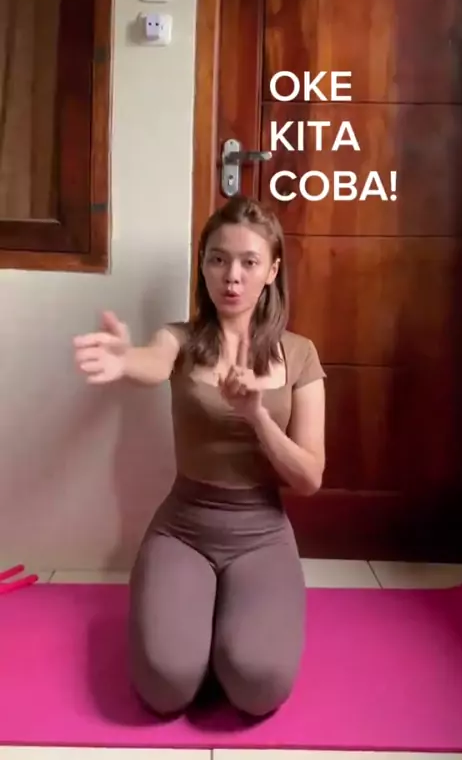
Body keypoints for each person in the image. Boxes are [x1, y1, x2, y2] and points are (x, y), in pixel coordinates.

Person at [73, 195, 326, 718]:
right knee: (166, 685)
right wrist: (125, 359)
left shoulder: (300, 355)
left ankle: (225, 632)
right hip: (183, 530)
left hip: (262, 536)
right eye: (217, 259)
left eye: (249, 262)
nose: (231, 276)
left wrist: (257, 416)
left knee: (258, 686)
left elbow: (308, 477)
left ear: (271, 271)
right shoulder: (179, 339)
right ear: (204, 266)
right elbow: (152, 361)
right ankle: (196, 631)